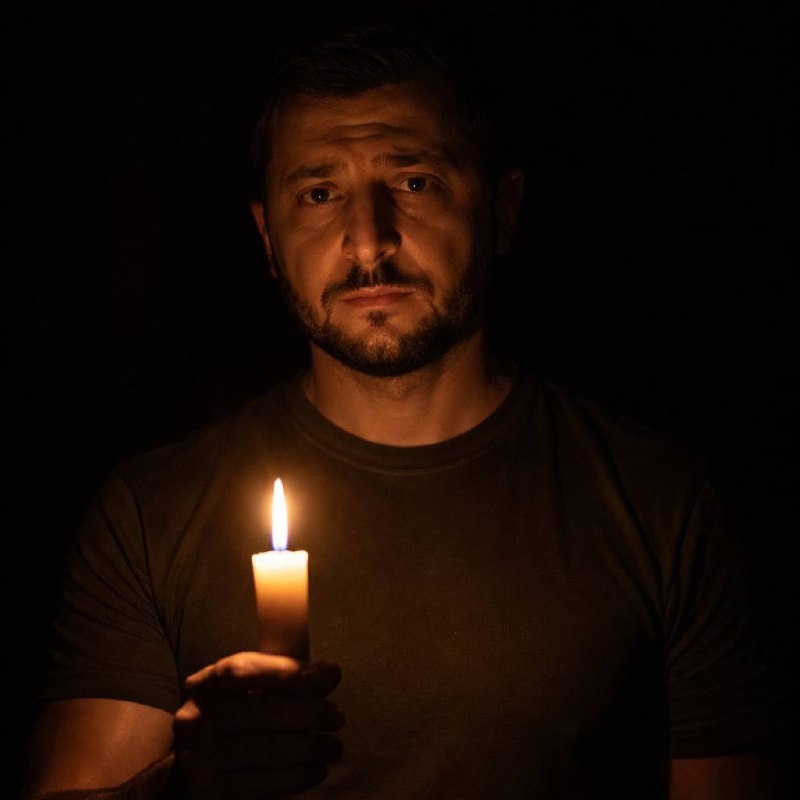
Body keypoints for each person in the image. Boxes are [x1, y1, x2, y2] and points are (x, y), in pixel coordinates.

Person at [19, 13, 793, 800]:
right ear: (267, 238)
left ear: (502, 210)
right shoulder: (150, 515)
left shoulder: (662, 505)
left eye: (414, 183)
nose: (368, 242)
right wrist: (182, 786)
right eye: (320, 194)